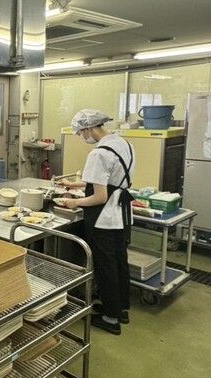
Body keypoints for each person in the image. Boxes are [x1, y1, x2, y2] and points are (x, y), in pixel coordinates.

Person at [57, 109, 135, 335]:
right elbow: (111, 181)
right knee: (119, 262)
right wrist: (74, 185)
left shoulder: (99, 154)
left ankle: (111, 319)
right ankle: (120, 309)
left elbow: (100, 196)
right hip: (121, 214)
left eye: (81, 133)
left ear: (89, 128)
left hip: (105, 218)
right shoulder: (124, 144)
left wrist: (73, 203)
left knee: (105, 266)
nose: (82, 137)